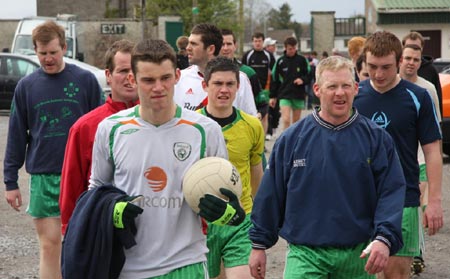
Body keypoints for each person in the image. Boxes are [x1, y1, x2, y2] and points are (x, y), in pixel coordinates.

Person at [83, 39, 245, 278]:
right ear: (133, 80)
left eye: (165, 78)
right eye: (148, 80)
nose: (158, 87)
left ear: (177, 76)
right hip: (128, 267)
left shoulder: (205, 130)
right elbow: (96, 190)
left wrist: (229, 212)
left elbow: (225, 197)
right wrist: (113, 212)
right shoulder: (111, 128)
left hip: (186, 263)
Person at [248, 55, 406, 279]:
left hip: (356, 255)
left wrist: (383, 238)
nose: (339, 93)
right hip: (305, 254)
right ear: (317, 89)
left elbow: (391, 192)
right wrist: (258, 244)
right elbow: (270, 194)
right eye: (332, 86)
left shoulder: (376, 139)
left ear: (356, 88)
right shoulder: (292, 139)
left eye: (345, 86)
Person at [3, 20, 102, 278]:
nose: (48, 58)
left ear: (65, 48)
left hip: (83, 176)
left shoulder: (86, 80)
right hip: (44, 177)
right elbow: (16, 135)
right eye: (42, 53)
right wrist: (10, 181)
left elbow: (101, 128)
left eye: (53, 52)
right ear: (35, 51)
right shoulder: (26, 87)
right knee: (49, 245)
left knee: (81, 244)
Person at [354, 31, 443, 279]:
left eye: (386, 67)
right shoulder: (353, 95)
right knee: (361, 273)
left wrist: (434, 201)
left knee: (396, 274)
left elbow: (433, 150)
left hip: (403, 199)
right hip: (358, 200)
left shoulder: (418, 97)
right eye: (372, 67)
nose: (379, 74)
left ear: (400, 61)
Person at [59, 39, 139, 235]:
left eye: (134, 71)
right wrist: (71, 233)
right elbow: (72, 185)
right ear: (108, 76)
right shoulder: (85, 127)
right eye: (122, 71)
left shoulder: (160, 122)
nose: (129, 77)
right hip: (104, 229)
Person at [199, 56, 265, 278]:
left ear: (238, 87)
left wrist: (262, 216)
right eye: (217, 83)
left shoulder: (252, 125)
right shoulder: (190, 126)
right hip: (201, 223)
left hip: (240, 220)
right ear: (205, 85)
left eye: (230, 84)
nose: (224, 90)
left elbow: (256, 171)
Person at [398, 43, 442, 276]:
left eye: (416, 59)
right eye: (407, 58)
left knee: (417, 205)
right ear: (400, 59)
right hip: (401, 162)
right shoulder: (389, 86)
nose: (411, 63)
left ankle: (415, 254)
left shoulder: (427, 90)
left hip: (421, 159)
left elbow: (433, 132)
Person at [174, 23, 257, 116]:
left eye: (193, 44)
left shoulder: (240, 79)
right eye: (188, 43)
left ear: (210, 49)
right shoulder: (180, 78)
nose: (188, 48)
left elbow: (250, 121)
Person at [220, 29, 268, 136]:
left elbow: (263, 104)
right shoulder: (206, 72)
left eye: (229, 44)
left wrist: (258, 115)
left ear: (235, 45)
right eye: (222, 44)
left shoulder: (247, 73)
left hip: (240, 134)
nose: (225, 48)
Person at [270, 36, 310, 130]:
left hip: (298, 94)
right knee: (286, 119)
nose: (292, 51)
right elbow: (274, 79)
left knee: (296, 123)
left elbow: (309, 75)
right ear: (285, 48)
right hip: (284, 94)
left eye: (294, 48)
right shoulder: (280, 61)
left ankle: (294, 142)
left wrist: (302, 80)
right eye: (290, 49)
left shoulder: (302, 60)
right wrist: (272, 96)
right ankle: (286, 141)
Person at [402, 31, 443, 116]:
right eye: (409, 46)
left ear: (422, 48)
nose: (411, 62)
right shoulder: (394, 71)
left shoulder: (430, 70)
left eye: (416, 47)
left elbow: (437, 102)